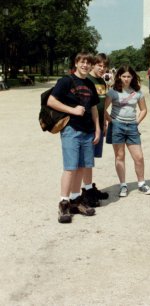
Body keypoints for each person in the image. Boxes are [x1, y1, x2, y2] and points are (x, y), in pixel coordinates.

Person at [47, 51, 100, 223]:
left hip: (88, 131)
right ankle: (64, 202)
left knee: (82, 166)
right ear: (76, 63)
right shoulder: (66, 81)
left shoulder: (90, 84)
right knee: (70, 167)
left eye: (88, 63)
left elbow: (93, 108)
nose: (85, 65)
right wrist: (73, 110)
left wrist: (98, 129)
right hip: (71, 129)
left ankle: (76, 200)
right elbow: (51, 101)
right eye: (82, 62)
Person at [105, 65, 150, 197]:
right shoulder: (113, 92)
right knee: (120, 156)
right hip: (117, 126)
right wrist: (111, 121)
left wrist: (137, 122)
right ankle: (123, 185)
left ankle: (141, 183)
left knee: (139, 157)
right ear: (119, 77)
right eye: (124, 76)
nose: (126, 79)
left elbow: (143, 110)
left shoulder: (137, 92)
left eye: (129, 76)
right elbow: (102, 109)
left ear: (133, 77)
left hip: (132, 126)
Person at [83, 53, 110, 205]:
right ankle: (86, 192)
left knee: (91, 160)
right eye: (99, 65)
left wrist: (105, 122)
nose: (102, 68)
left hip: (99, 125)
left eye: (104, 66)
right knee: (86, 160)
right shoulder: (87, 80)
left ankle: (89, 187)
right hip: (89, 126)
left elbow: (103, 104)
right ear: (93, 65)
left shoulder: (102, 81)